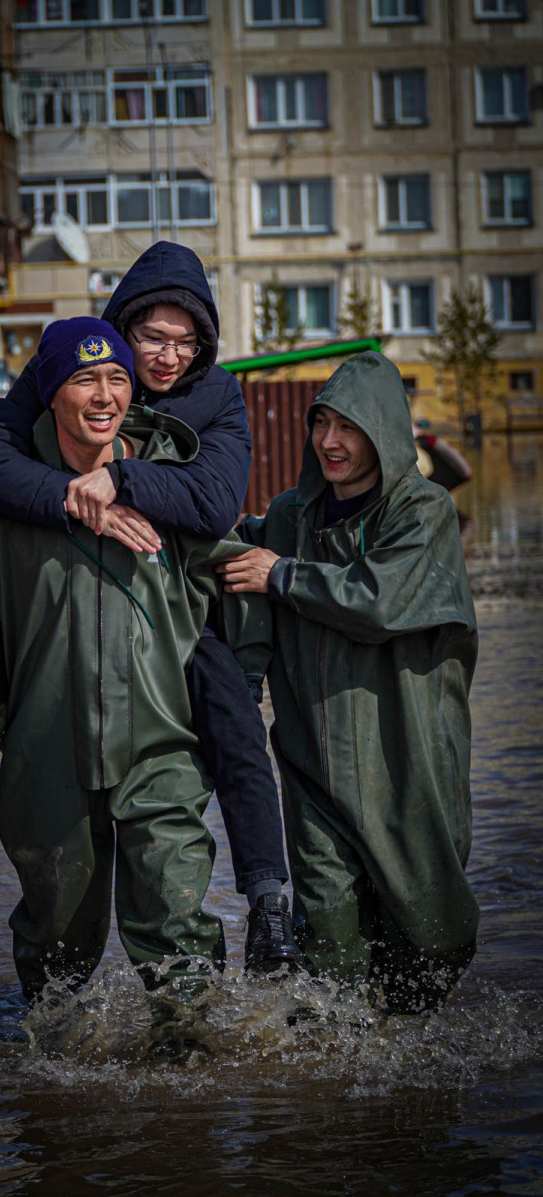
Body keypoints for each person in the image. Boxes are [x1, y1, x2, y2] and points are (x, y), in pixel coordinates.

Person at [0, 243, 302, 976]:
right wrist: (69, 502)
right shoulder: (65, 370)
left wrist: (118, 484)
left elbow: (214, 508)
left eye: (186, 340)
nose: (166, 357)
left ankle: (269, 906)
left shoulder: (216, 397)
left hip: (168, 628)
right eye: (151, 339)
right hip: (45, 631)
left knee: (233, 715)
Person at [217, 351, 480, 1014]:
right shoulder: (289, 518)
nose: (330, 442)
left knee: (428, 942)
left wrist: (283, 576)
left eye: (350, 427)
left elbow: (382, 600)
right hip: (314, 765)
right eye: (322, 424)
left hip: (406, 761)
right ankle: (335, 1092)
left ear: (385, 431)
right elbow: (222, 552)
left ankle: (412, 1097)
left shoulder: (424, 513)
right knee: (331, 947)